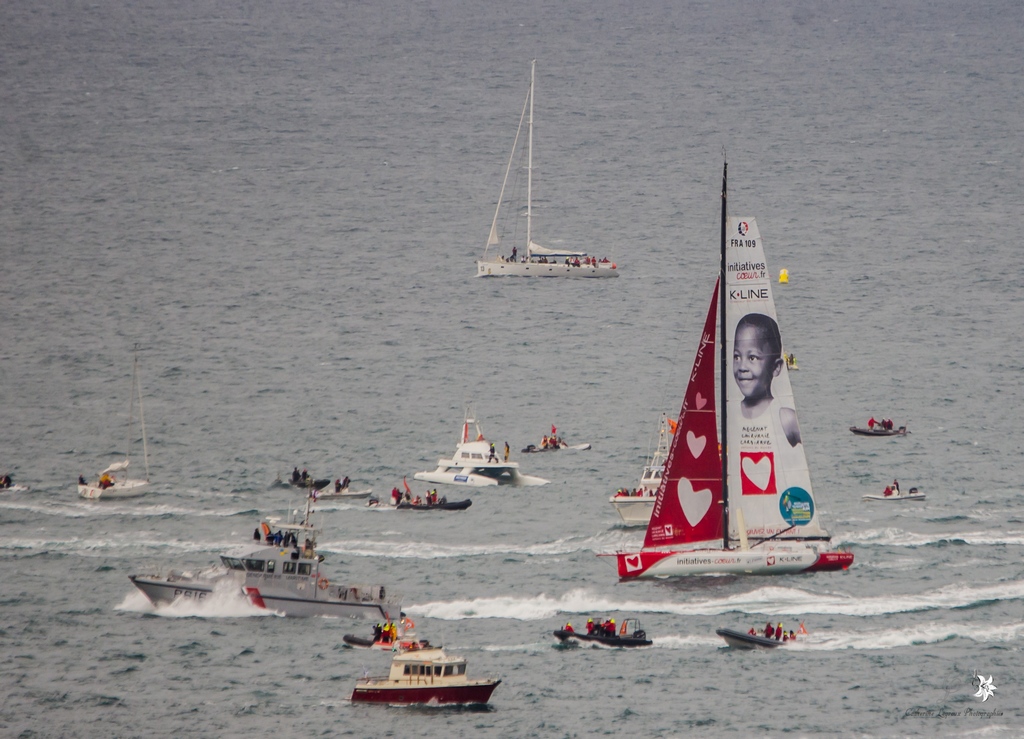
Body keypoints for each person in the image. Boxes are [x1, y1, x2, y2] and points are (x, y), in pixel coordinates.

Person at [733, 313, 801, 447]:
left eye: (752, 358)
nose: (742, 367)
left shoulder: (786, 418)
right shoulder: (730, 411)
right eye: (736, 357)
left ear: (776, 367)